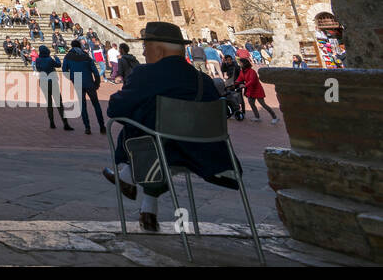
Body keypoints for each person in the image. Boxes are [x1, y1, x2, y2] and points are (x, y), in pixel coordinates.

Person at [103, 21, 241, 232]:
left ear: (158, 49)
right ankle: (146, 206)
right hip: (206, 156)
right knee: (154, 121)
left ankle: (127, 174)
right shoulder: (203, 79)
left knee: (142, 124)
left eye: (146, 47)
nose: (144, 52)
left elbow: (115, 109)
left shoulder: (145, 74)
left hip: (162, 153)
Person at [62, 38, 105, 135]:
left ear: (72, 46)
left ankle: (87, 127)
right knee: (96, 104)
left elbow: (64, 71)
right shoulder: (86, 56)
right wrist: (97, 83)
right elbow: (95, 71)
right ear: (80, 46)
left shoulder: (68, 56)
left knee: (83, 106)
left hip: (78, 82)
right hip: (89, 82)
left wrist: (72, 78)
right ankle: (102, 126)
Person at [34, 46, 73, 131]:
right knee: (59, 103)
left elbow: (37, 68)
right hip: (52, 81)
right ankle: (65, 123)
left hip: (43, 81)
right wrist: (56, 58)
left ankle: (52, 122)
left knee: (49, 103)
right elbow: (58, 65)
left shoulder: (37, 59)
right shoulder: (49, 59)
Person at [235, 58, 279, 122]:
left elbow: (252, 81)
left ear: (244, 63)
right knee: (251, 104)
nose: (239, 64)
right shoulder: (242, 71)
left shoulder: (252, 71)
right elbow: (240, 78)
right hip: (250, 90)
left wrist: (245, 85)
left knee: (263, 104)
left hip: (257, 90)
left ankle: (274, 117)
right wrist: (234, 84)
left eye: (240, 63)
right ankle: (257, 117)